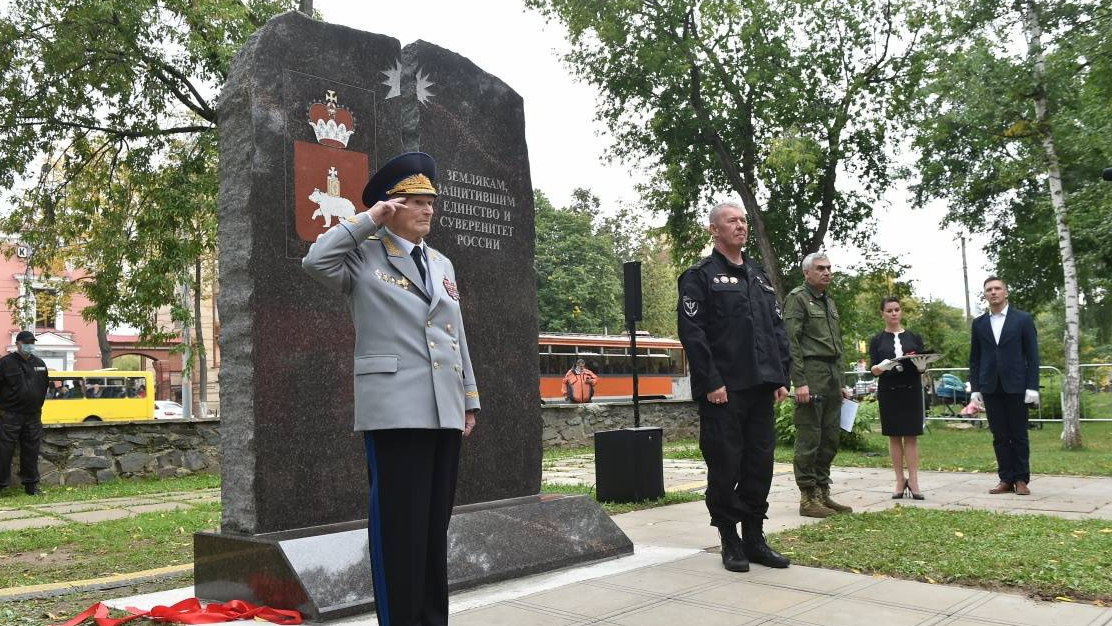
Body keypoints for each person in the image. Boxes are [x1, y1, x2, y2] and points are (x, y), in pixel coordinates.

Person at [302, 151, 479, 626]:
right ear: (391, 205)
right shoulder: (363, 254)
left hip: (443, 411)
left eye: (431, 202)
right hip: (395, 412)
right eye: (416, 201)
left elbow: (455, 334)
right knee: (398, 531)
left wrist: (469, 400)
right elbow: (316, 261)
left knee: (432, 530)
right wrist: (367, 220)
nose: (428, 210)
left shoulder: (442, 263)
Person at [677, 201, 791, 573]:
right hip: (724, 391)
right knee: (725, 466)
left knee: (760, 465)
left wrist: (780, 376)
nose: (741, 226)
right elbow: (693, 334)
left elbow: (776, 330)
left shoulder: (758, 277)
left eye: (743, 220)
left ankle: (755, 537)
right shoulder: (700, 276)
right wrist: (711, 381)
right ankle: (730, 538)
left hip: (761, 387)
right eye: (732, 221)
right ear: (714, 229)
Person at [784, 253, 854, 518]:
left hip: (832, 374)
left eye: (829, 268)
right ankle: (807, 497)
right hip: (811, 374)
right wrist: (799, 381)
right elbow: (792, 342)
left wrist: (842, 382)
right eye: (820, 268)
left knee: (830, 437)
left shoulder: (829, 303)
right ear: (807, 273)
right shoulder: (797, 298)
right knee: (810, 436)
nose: (826, 272)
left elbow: (837, 344)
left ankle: (823, 493)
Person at [969, 276, 1039, 496]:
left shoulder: (1023, 319)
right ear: (985, 294)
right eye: (989, 289)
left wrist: (1032, 386)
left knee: (1018, 434)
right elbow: (975, 358)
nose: (993, 292)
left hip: (1017, 385)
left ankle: (1021, 479)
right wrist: (975, 388)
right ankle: (1005, 478)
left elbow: (1033, 356)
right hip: (990, 386)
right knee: (999, 435)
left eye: (997, 288)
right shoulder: (979, 323)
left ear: (1006, 292)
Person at [868, 297, 927, 499]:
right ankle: (899, 481)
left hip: (911, 390)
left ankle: (915, 481)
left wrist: (922, 367)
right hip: (889, 390)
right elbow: (873, 370)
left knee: (911, 436)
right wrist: (882, 366)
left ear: (901, 312)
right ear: (882, 314)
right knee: (894, 436)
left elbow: (923, 362)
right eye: (889, 310)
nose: (894, 313)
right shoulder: (877, 340)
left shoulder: (914, 337)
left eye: (897, 309)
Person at [0, 331, 50, 496]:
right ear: (18, 344)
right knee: (4, 450)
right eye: (26, 342)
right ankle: (1, 485)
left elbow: (44, 387)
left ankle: (31, 485)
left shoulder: (40, 363)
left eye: (32, 342)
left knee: (31, 450)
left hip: (33, 415)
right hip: (10, 415)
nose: (30, 345)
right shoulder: (5, 363)